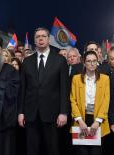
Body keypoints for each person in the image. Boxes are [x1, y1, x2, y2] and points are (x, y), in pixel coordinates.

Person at [18, 27, 69, 155]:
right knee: (32, 149)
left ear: (48, 39)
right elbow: (23, 88)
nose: (40, 39)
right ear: (34, 41)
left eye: (43, 36)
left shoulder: (60, 60)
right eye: (37, 37)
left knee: (52, 148)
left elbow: (64, 88)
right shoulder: (27, 62)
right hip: (31, 114)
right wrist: (21, 112)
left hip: (52, 113)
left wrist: (63, 112)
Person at [70, 51, 110, 155]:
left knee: (96, 152)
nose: (92, 63)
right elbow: (73, 100)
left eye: (94, 61)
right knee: (82, 151)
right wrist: (80, 120)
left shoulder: (105, 79)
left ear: (97, 62)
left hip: (98, 120)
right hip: (81, 120)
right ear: (84, 62)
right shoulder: (76, 79)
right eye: (88, 61)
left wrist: (97, 121)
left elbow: (106, 101)